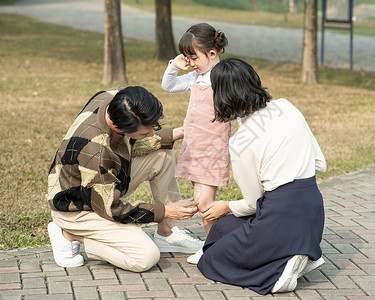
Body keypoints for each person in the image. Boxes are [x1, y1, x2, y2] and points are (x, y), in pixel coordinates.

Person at [196, 58, 327, 294]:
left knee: (210, 259)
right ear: (254, 81)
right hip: (313, 209)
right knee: (222, 230)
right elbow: (320, 163)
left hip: (280, 215)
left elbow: (252, 204)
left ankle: (280, 272)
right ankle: (301, 250)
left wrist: (225, 205)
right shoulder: (287, 106)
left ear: (221, 96)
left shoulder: (241, 142)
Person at [47, 85, 203, 272]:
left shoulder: (116, 97)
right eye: (145, 133)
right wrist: (164, 211)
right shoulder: (95, 152)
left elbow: (130, 144)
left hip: (100, 185)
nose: (152, 134)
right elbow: (111, 209)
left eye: (153, 128)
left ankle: (166, 233)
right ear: (119, 127)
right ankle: (70, 234)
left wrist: (177, 133)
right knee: (145, 257)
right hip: (78, 207)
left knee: (162, 156)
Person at [161, 23, 231, 264]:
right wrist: (173, 66)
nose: (190, 62)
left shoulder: (225, 78)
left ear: (212, 54)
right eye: (187, 57)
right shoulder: (195, 76)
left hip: (212, 149)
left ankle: (212, 249)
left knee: (205, 203)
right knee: (203, 202)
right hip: (193, 147)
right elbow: (168, 86)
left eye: (193, 57)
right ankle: (213, 246)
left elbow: (239, 111)